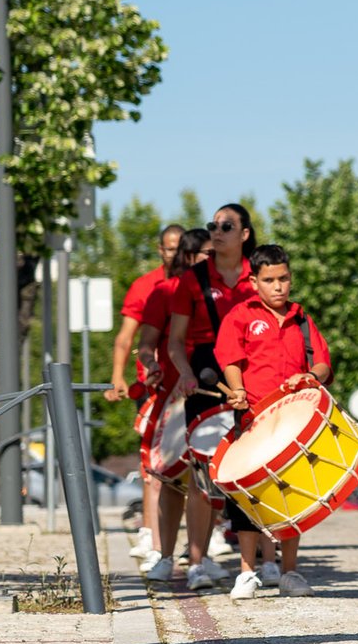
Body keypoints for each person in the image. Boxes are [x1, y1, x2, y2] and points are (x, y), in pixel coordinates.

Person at [215, 243, 333, 599]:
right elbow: (230, 359)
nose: (279, 286)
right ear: (254, 281)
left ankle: (290, 572)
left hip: (293, 420)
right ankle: (248, 573)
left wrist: (311, 376)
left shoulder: (302, 319)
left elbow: (324, 363)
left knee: (290, 495)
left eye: (284, 278)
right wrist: (236, 389)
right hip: (252, 418)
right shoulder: (240, 315)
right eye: (270, 280)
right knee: (248, 497)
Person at [157, 203, 258, 590]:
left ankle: (264, 562)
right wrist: (184, 373)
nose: (217, 231)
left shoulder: (260, 274)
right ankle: (196, 561)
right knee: (202, 471)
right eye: (212, 225)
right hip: (205, 373)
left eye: (226, 225)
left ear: (244, 233)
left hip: (252, 372)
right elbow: (176, 342)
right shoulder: (192, 281)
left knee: (255, 465)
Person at [107, 224, 184, 576]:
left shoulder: (199, 286)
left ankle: (209, 535)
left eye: (181, 247)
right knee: (153, 464)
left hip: (190, 383)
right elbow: (126, 337)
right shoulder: (145, 286)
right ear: (160, 250)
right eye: (169, 248)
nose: (174, 254)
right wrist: (117, 376)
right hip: (153, 386)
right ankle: (150, 533)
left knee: (200, 462)